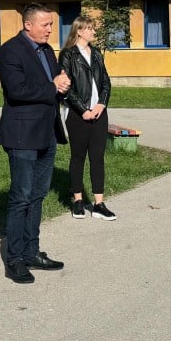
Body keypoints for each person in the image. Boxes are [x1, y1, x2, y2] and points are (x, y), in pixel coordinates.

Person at [0, 3, 70, 284]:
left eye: (51, 24)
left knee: (38, 195)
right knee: (21, 197)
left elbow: (56, 83)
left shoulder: (47, 51)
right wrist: (53, 86)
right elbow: (17, 91)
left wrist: (63, 86)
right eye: (45, 24)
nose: (50, 29)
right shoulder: (11, 51)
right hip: (22, 135)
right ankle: (14, 259)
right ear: (28, 25)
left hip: (47, 133)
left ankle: (31, 251)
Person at [58, 14, 115, 221]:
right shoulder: (68, 54)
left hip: (99, 112)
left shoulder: (97, 53)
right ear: (79, 31)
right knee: (78, 156)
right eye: (89, 28)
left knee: (98, 157)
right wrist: (83, 110)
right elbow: (66, 87)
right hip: (77, 114)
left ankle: (99, 204)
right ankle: (78, 201)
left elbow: (106, 82)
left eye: (93, 28)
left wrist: (101, 104)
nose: (93, 32)